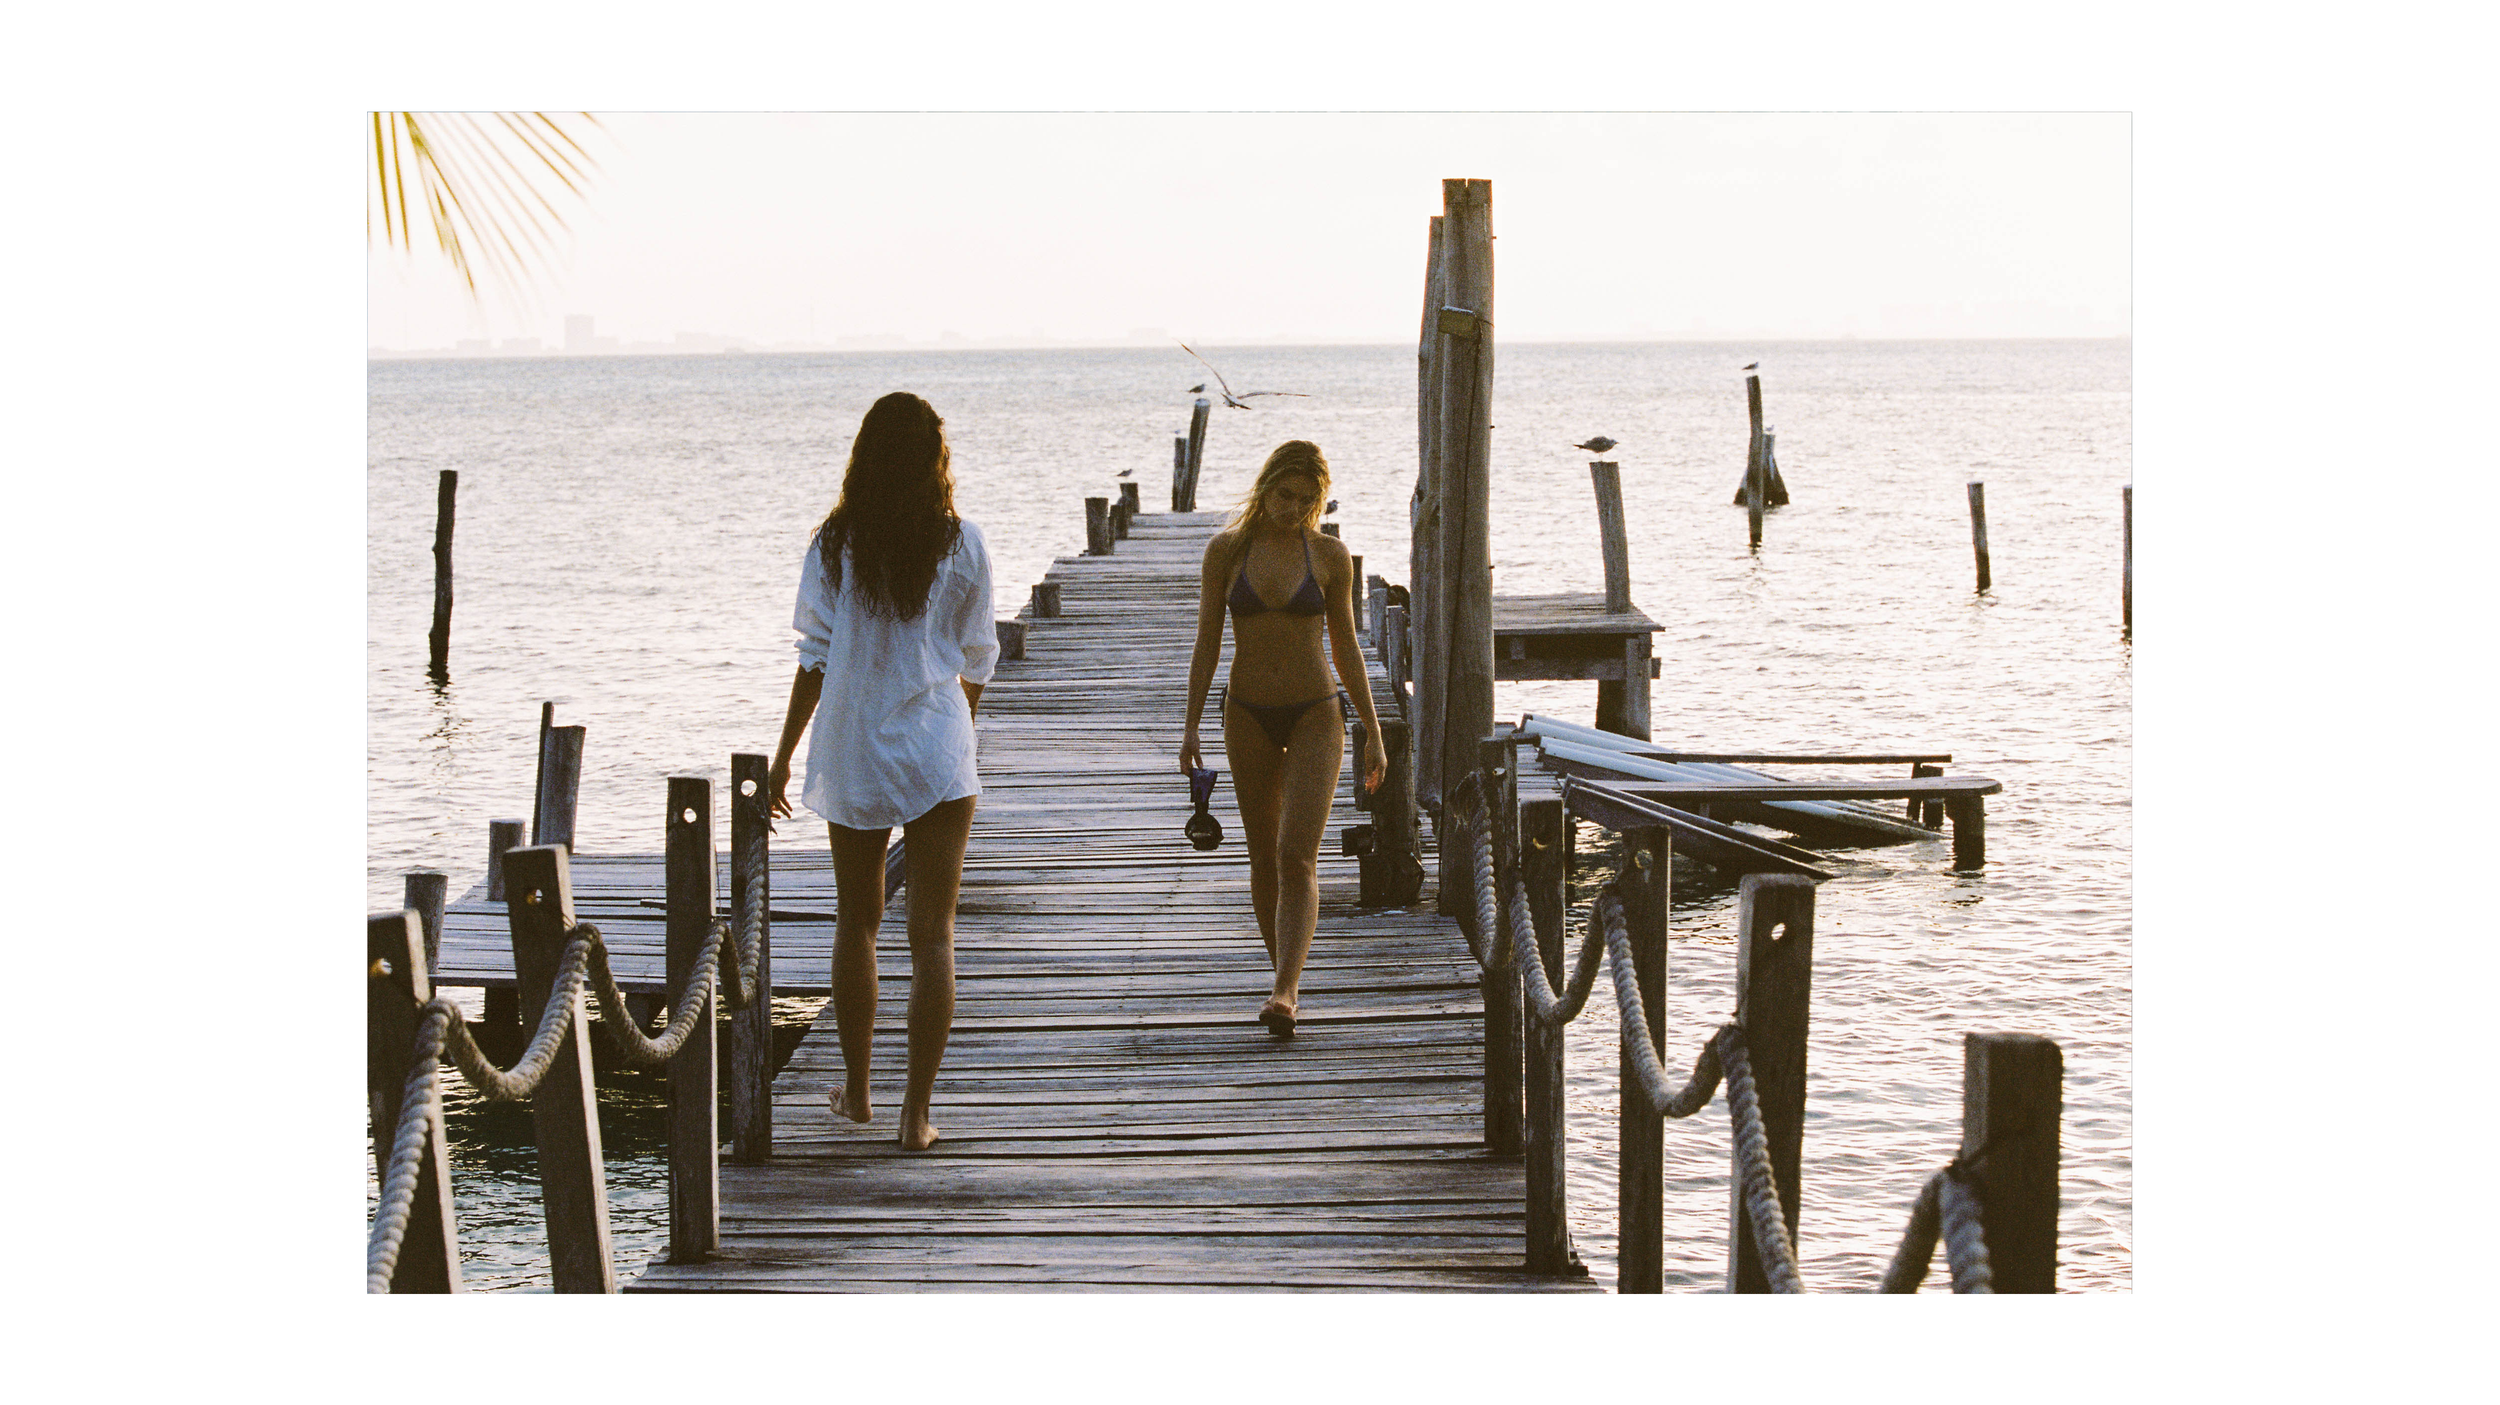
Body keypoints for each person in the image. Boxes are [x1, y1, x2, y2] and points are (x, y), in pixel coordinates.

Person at [769, 392, 995, 1151]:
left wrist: (782, 757)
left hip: (855, 744)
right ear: (935, 459)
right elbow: (978, 658)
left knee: (857, 921)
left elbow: (814, 657)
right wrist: (953, 727)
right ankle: (915, 1115)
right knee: (934, 935)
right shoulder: (963, 543)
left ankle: (861, 1092)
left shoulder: (836, 544)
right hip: (937, 744)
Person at [1178, 440, 1387, 1036]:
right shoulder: (1226, 551)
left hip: (1315, 713)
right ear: (1265, 486)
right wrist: (1190, 725)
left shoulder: (1328, 556)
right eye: (1285, 494)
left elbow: (1345, 647)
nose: (1293, 508)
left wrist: (1372, 729)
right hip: (1247, 715)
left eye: (1306, 499)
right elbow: (1207, 641)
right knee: (1264, 856)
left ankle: (1285, 992)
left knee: (1297, 854)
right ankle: (1283, 981)